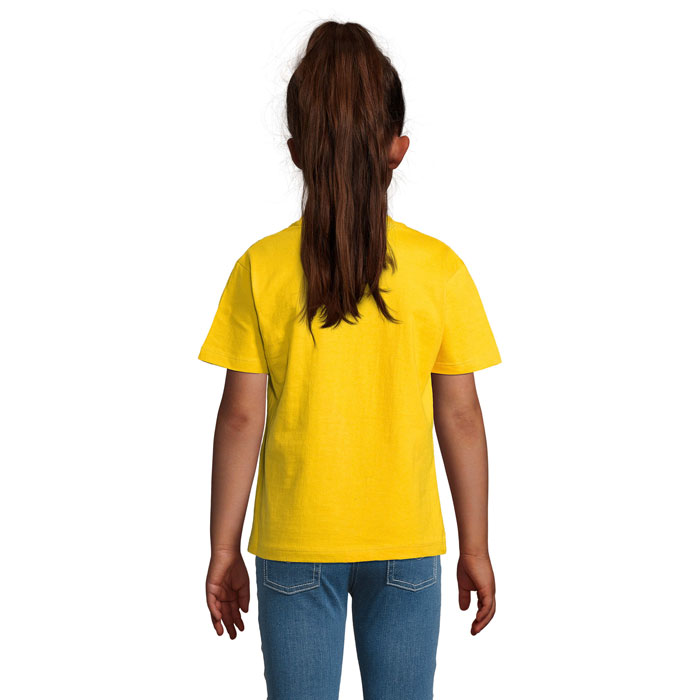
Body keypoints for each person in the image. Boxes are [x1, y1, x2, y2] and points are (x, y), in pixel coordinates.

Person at [198, 20, 501, 700]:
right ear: (397, 148)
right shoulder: (439, 270)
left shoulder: (260, 268)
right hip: (407, 544)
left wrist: (223, 548)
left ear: (297, 150)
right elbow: (461, 418)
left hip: (295, 545)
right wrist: (476, 547)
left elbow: (241, 418)